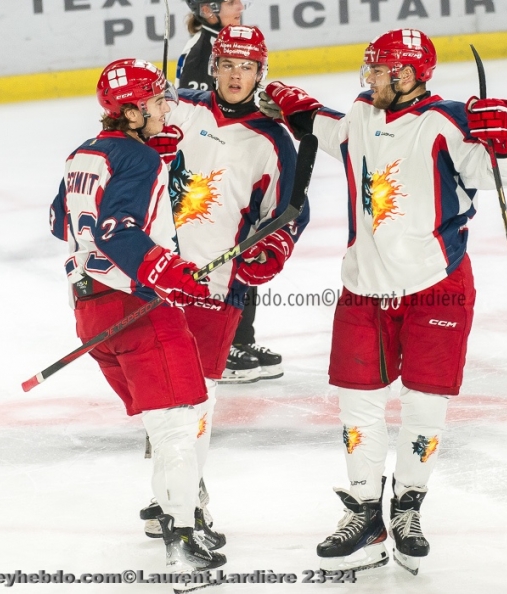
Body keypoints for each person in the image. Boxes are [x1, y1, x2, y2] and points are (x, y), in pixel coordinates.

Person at [260, 28, 507, 574]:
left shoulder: (450, 121)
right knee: (358, 404)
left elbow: (506, 172)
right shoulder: (362, 113)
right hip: (364, 286)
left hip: (438, 283)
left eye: (380, 71)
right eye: (371, 69)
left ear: (407, 75)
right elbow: (328, 128)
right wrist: (294, 106)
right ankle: (365, 510)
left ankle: (408, 504)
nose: (370, 78)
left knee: (427, 403)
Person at [49, 58, 225, 574]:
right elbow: (118, 232)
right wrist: (170, 270)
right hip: (138, 307)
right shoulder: (140, 159)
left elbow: (60, 219)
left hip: (90, 311)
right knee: (177, 425)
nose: (165, 107)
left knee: (164, 420)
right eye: (155, 101)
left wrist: (142, 163)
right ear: (131, 110)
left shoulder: (84, 152)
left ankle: (165, 514)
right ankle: (183, 543)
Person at [139, 24, 309, 545]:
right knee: (160, 397)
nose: (237, 76)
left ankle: (182, 498)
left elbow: (286, 213)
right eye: (228, 64)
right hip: (152, 277)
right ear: (212, 66)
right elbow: (124, 140)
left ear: (261, 72)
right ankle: (174, 494)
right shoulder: (180, 109)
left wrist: (272, 248)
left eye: (248, 67)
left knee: (197, 400)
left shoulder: (273, 139)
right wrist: (149, 136)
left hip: (216, 286)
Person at [176, 0, 283, 384]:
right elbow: (190, 114)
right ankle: (230, 340)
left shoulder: (227, 43)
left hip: (233, 163)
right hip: (205, 170)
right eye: (229, 2)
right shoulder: (200, 53)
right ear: (208, 10)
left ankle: (242, 336)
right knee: (216, 245)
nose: (240, 6)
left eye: (247, 67)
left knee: (246, 239)